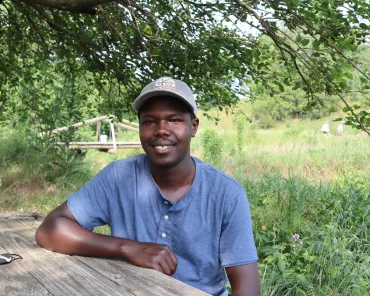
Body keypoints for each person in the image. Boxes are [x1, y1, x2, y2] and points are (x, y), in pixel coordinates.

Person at [36, 77, 260, 296]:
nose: (161, 129)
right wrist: (128, 248)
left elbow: (247, 288)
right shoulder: (118, 177)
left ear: (193, 127)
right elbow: (50, 231)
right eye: (150, 121)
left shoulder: (226, 194)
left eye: (174, 120)